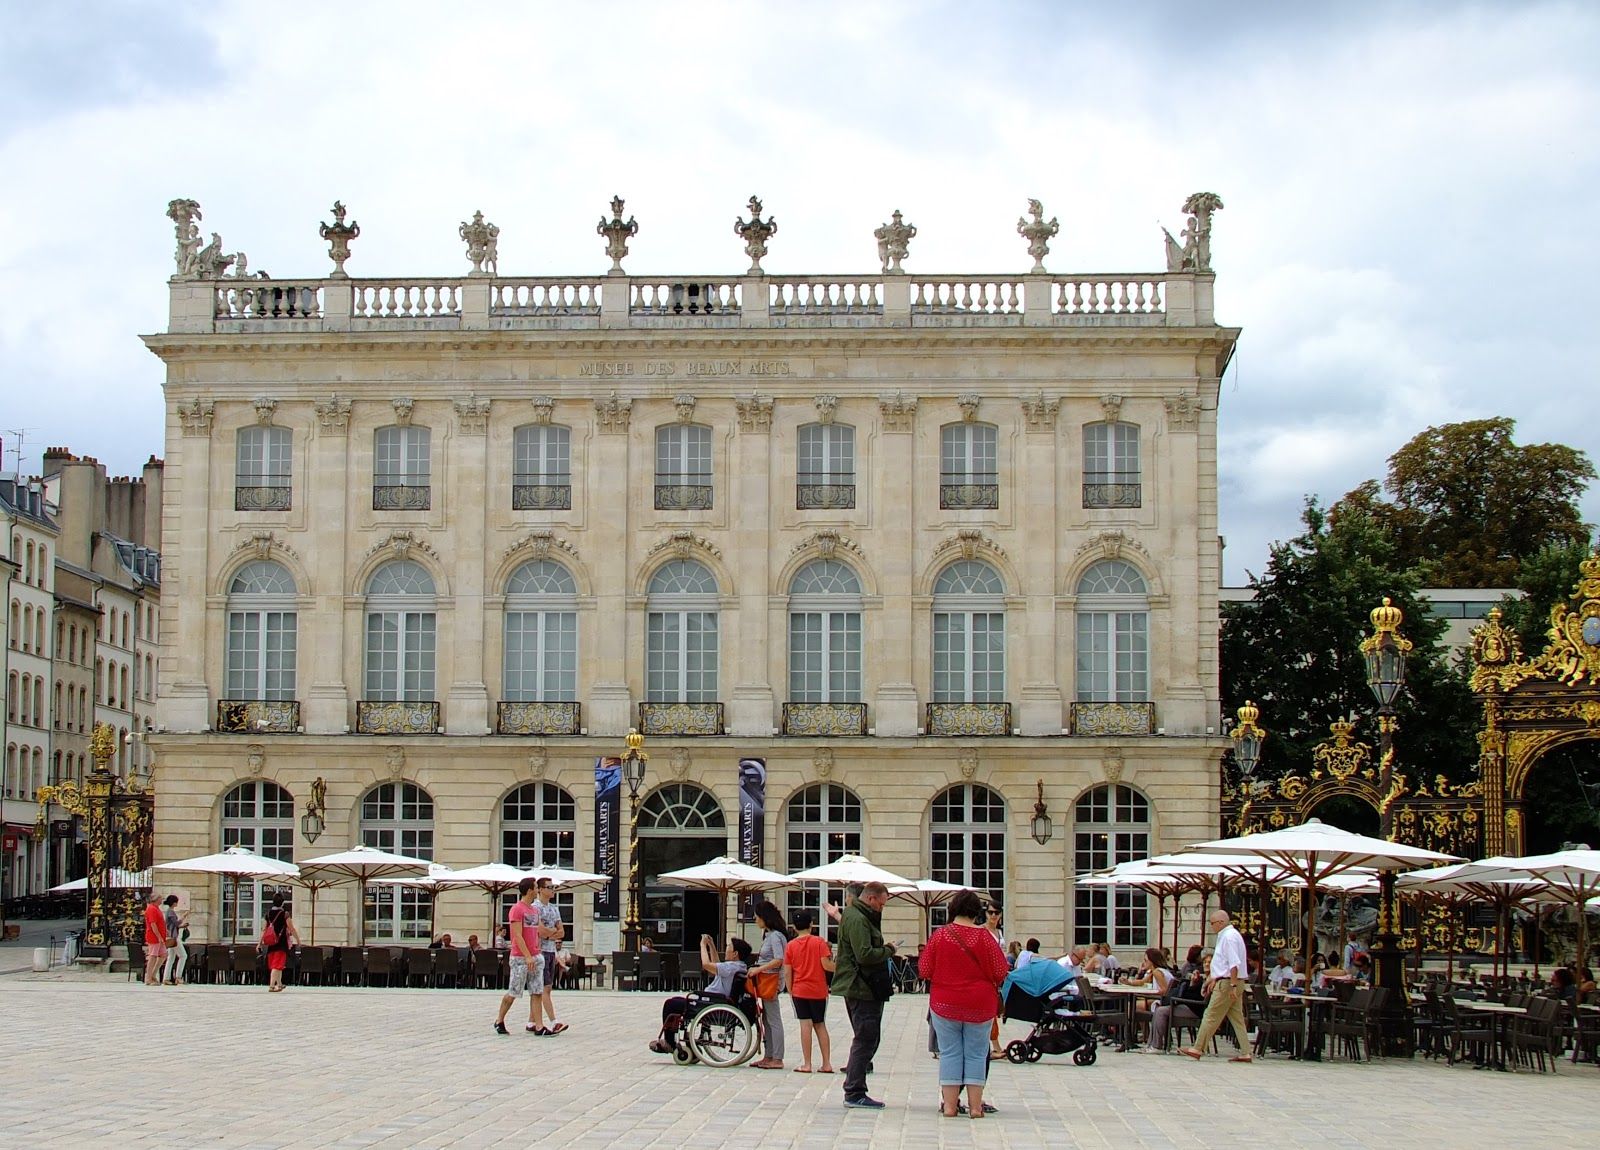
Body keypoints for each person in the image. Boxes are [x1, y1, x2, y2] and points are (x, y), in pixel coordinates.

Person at [919, 889, 1009, 1121]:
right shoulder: (985, 938)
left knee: (949, 1053)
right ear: (976, 911)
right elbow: (1001, 971)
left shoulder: (940, 935)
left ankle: (950, 1106)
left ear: (953, 909)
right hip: (980, 1003)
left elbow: (924, 970)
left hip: (945, 1001)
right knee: (977, 1054)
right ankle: (976, 1108)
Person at [829, 880, 896, 1110]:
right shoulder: (858, 918)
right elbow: (864, 955)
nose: (882, 908)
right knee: (865, 1037)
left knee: (868, 1037)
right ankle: (854, 1090)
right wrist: (889, 950)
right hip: (861, 987)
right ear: (870, 898)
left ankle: (855, 1087)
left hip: (863, 986)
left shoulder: (857, 916)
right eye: (881, 904)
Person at [651, 935, 753, 1053]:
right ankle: (674, 1041)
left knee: (671, 1004)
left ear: (735, 953)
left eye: (729, 946)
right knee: (676, 1001)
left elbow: (706, 965)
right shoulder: (738, 967)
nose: (726, 948)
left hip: (708, 1003)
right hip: (716, 1001)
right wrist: (711, 945)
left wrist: (702, 945)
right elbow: (716, 964)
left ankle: (669, 1042)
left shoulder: (730, 968)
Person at [1179, 909, 1251, 1062]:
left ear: (1221, 922)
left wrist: (1231, 985)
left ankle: (1197, 1048)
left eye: (1212, 923)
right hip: (1232, 981)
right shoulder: (1230, 936)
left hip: (1228, 982)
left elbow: (1234, 964)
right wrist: (1213, 978)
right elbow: (1224, 964)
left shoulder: (1229, 937)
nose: (1211, 926)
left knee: (1210, 1015)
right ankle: (1246, 1052)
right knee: (1236, 1017)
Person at [493, 877, 547, 1036]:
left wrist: (537, 951)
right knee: (514, 991)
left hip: (535, 956)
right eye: (536, 887)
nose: (538, 890)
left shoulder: (534, 910)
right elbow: (517, 935)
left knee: (537, 991)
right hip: (520, 958)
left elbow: (535, 932)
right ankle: (499, 1020)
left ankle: (539, 1026)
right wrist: (527, 956)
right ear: (530, 889)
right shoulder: (517, 909)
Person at [784, 909, 835, 1073]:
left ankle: (807, 1063)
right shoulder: (819, 942)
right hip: (818, 990)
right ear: (811, 925)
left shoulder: (790, 946)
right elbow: (826, 965)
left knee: (805, 1025)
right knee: (820, 1025)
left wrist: (791, 990)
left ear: (794, 927)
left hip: (800, 990)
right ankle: (826, 1063)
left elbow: (787, 971)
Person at [747, 901, 788, 1069]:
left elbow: (779, 959)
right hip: (765, 980)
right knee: (766, 1018)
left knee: (773, 1019)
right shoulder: (769, 935)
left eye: (757, 915)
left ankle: (777, 1057)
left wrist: (758, 970)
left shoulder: (776, 936)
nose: (755, 918)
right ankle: (769, 1054)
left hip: (771, 981)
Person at [533, 879, 569, 1034]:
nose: (553, 890)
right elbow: (539, 930)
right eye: (549, 887)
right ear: (540, 889)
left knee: (541, 988)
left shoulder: (554, 908)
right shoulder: (535, 908)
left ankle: (530, 1021)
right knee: (544, 988)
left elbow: (562, 932)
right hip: (539, 951)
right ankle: (554, 1022)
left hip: (550, 951)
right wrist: (551, 933)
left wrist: (549, 935)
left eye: (553, 887)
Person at [1127, 947, 1175, 1053]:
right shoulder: (1156, 971)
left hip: (1160, 1001)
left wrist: (1149, 993)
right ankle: (1145, 1037)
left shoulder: (1158, 972)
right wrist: (1128, 983)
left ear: (1152, 961)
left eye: (1145, 960)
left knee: (1130, 1007)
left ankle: (1132, 1037)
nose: (1144, 963)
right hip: (1159, 1000)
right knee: (1134, 1005)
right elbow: (1142, 982)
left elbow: (1164, 990)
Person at [262, 894, 299, 993]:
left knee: (278, 965)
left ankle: (279, 984)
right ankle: (271, 986)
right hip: (281, 943)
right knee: (277, 966)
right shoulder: (285, 914)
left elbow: (264, 930)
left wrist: (259, 943)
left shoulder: (268, 913)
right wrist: (298, 940)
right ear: (282, 903)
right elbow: (291, 928)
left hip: (271, 943)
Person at [983, 903, 1005, 1057]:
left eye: (996, 912)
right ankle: (995, 1046)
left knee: (993, 1010)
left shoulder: (999, 932)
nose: (993, 916)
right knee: (989, 1010)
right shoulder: (981, 930)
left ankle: (994, 1045)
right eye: (990, 912)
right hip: (985, 975)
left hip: (996, 977)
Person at [142, 891, 168, 986]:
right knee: (152, 956)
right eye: (160, 898)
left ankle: (153, 974)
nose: (162, 900)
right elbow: (153, 924)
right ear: (156, 899)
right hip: (154, 937)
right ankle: (148, 978)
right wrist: (159, 936)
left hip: (159, 937)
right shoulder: (151, 909)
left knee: (163, 955)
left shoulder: (156, 909)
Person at [161, 895, 189, 986]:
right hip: (174, 937)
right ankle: (178, 977)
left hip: (170, 937)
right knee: (183, 956)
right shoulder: (171, 912)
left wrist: (182, 926)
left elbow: (172, 926)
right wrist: (183, 917)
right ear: (174, 903)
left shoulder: (168, 912)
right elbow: (176, 923)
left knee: (171, 958)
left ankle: (166, 978)